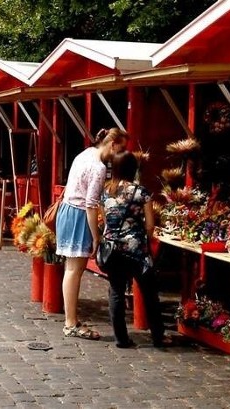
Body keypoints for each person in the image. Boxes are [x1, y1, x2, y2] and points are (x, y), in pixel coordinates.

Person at [55, 127, 129, 340]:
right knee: (74, 270)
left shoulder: (85, 153)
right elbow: (91, 203)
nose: (120, 155)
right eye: (120, 149)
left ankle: (71, 319)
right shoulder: (98, 167)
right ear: (112, 144)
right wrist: (96, 235)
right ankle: (70, 323)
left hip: (67, 210)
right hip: (78, 215)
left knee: (71, 269)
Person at [99, 151, 172, 348]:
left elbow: (106, 221)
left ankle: (121, 338)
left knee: (116, 291)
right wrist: (145, 239)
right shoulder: (141, 192)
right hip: (136, 251)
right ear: (134, 169)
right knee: (149, 292)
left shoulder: (106, 192)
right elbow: (149, 225)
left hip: (112, 249)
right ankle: (158, 336)